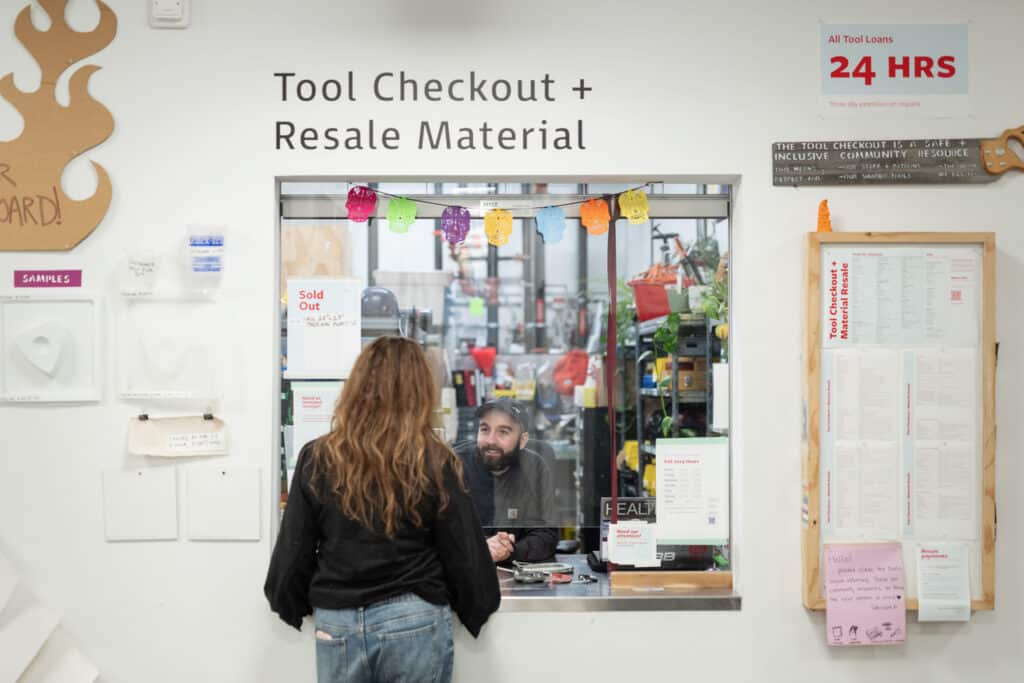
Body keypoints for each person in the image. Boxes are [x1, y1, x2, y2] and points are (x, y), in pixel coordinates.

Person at [265, 336, 500, 683]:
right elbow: (463, 551)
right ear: (420, 393)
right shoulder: (434, 460)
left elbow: (293, 549)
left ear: (356, 388)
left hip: (338, 621)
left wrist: (292, 604)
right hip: (413, 618)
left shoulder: (318, 456)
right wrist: (478, 605)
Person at [454, 398, 558, 563]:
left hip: (516, 569)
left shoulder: (535, 468)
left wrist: (510, 550)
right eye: (485, 429)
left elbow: (546, 534)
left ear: (522, 440)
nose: (491, 441)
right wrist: (481, 548)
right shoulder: (455, 465)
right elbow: (438, 532)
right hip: (466, 569)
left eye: (503, 432)